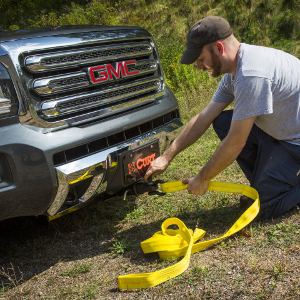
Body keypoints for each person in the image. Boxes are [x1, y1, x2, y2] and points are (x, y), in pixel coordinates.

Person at [144, 16, 300, 219]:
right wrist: (166, 157)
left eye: (200, 59)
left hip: (294, 142)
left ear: (219, 48)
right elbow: (204, 117)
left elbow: (236, 142)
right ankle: (265, 185)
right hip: (279, 130)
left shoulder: (252, 74)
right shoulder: (234, 73)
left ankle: (271, 192)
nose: (198, 67)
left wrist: (203, 178)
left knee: (264, 209)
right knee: (221, 121)